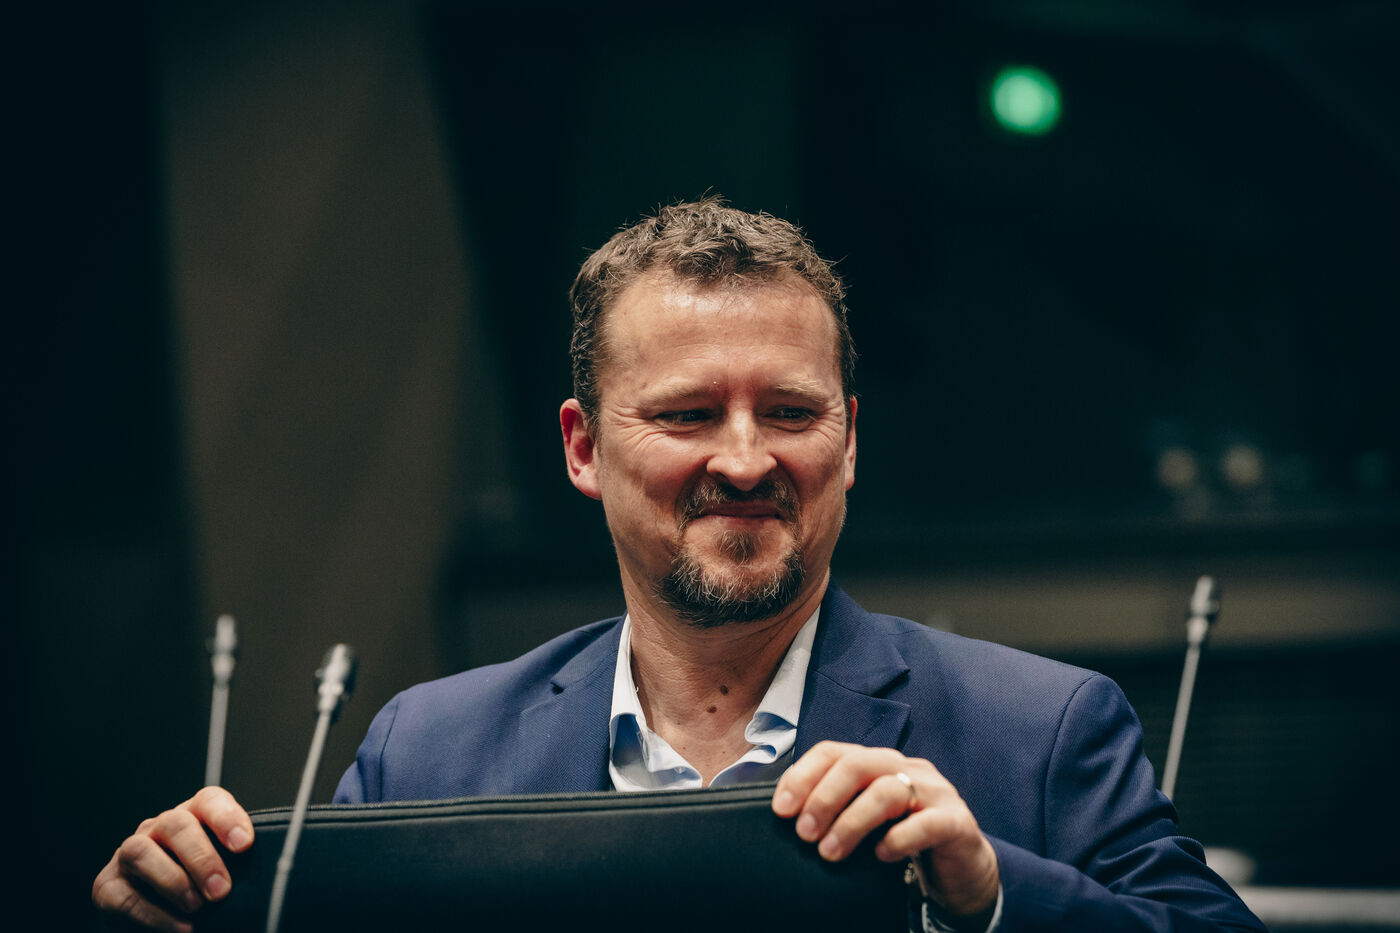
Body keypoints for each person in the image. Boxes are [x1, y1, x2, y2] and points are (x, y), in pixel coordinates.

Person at [93, 197, 1264, 932]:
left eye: (790, 412)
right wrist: (177, 911)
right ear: (582, 449)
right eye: (687, 414)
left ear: (849, 440)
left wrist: (992, 894)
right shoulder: (428, 750)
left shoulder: (1039, 731)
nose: (745, 460)